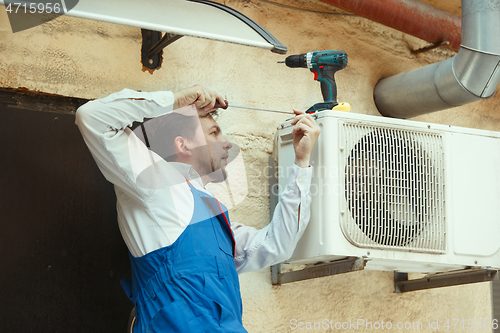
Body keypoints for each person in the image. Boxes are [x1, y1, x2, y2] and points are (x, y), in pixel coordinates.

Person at [75, 84, 321, 333]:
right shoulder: (156, 183)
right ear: (183, 146)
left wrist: (301, 164)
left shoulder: (217, 221)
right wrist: (176, 100)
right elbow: (91, 117)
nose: (226, 144)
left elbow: (276, 245)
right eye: (214, 133)